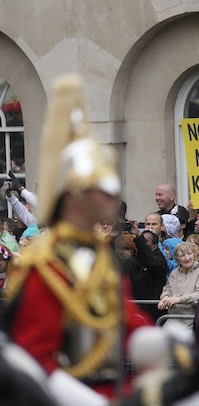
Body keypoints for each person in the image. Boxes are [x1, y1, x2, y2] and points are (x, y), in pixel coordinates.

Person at [1, 74, 151, 404]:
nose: (111, 202)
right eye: (101, 192)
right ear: (74, 197)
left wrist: (158, 344)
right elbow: (29, 357)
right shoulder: (43, 264)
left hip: (112, 390)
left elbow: (121, 317)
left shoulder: (100, 257)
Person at [158, 242, 199, 327]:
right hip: (172, 318)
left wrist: (179, 299)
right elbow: (167, 289)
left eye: (189, 254)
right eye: (182, 256)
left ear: (194, 255)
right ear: (177, 259)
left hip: (192, 319)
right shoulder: (174, 272)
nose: (187, 258)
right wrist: (165, 298)